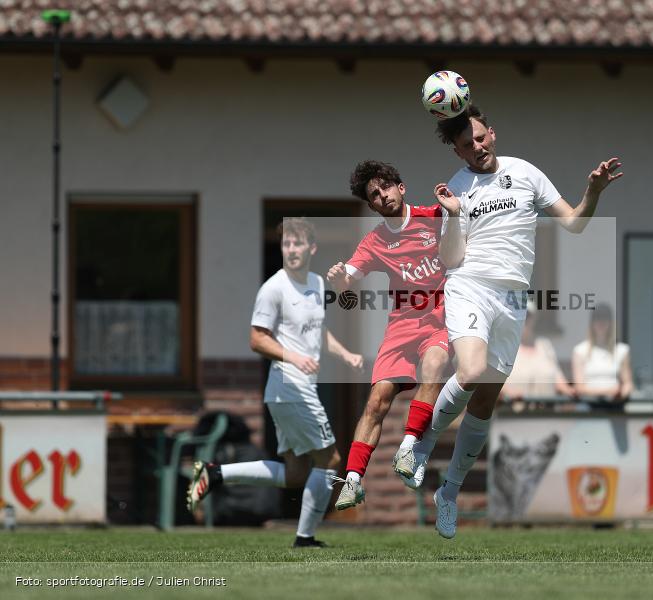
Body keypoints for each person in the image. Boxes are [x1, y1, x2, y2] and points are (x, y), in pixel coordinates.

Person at [401, 104, 622, 538]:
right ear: (458, 152)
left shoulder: (526, 172)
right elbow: (450, 259)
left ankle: (449, 493)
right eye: (467, 144)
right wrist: (452, 214)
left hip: (513, 298)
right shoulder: (457, 188)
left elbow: (574, 223)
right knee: (470, 370)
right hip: (470, 284)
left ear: (492, 134)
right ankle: (418, 447)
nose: (477, 146)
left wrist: (593, 191)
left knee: (485, 402)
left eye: (480, 137)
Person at [187, 217, 363, 548]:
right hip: (289, 389)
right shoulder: (273, 288)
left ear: (312, 248)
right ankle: (305, 537)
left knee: (295, 474)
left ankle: (215, 473)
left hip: (294, 391)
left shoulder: (316, 283)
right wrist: (293, 357)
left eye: (298, 243)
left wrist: (346, 354)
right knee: (330, 460)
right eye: (286, 244)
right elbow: (257, 339)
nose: (291, 249)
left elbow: (317, 331)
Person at [326, 160, 452, 510]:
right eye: (374, 195)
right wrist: (338, 280)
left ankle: (408, 448)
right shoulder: (375, 241)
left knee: (434, 366)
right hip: (401, 327)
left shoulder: (434, 216)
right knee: (377, 401)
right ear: (371, 205)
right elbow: (348, 278)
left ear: (401, 187)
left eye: (385, 187)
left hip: (439, 321)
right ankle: (353, 481)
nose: (382, 196)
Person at [500, 301, 576, 407]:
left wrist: (570, 391)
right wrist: (508, 392)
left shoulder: (545, 346)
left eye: (527, 316)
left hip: (545, 412)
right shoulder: (504, 346)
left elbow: (557, 376)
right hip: (513, 412)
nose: (524, 319)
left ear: (534, 319)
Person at [571, 303, 633, 401]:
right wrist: (609, 391)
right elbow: (579, 387)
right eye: (597, 319)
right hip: (588, 405)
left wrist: (622, 394)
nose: (601, 323)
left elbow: (628, 383)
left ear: (611, 323)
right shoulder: (580, 351)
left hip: (615, 405)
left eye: (605, 319)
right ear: (591, 323)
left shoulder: (622, 350)